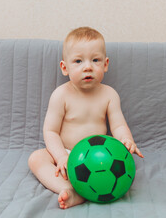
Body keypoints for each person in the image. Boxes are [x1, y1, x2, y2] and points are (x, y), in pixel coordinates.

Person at [28, 27, 144, 209]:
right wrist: (60, 157)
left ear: (105, 64)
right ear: (65, 68)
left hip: (100, 156)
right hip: (67, 152)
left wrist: (126, 139)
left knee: (123, 163)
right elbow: (50, 131)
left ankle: (95, 186)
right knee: (36, 158)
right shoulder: (61, 95)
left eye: (95, 60)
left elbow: (119, 125)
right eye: (78, 61)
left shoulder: (109, 95)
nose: (88, 66)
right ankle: (68, 189)